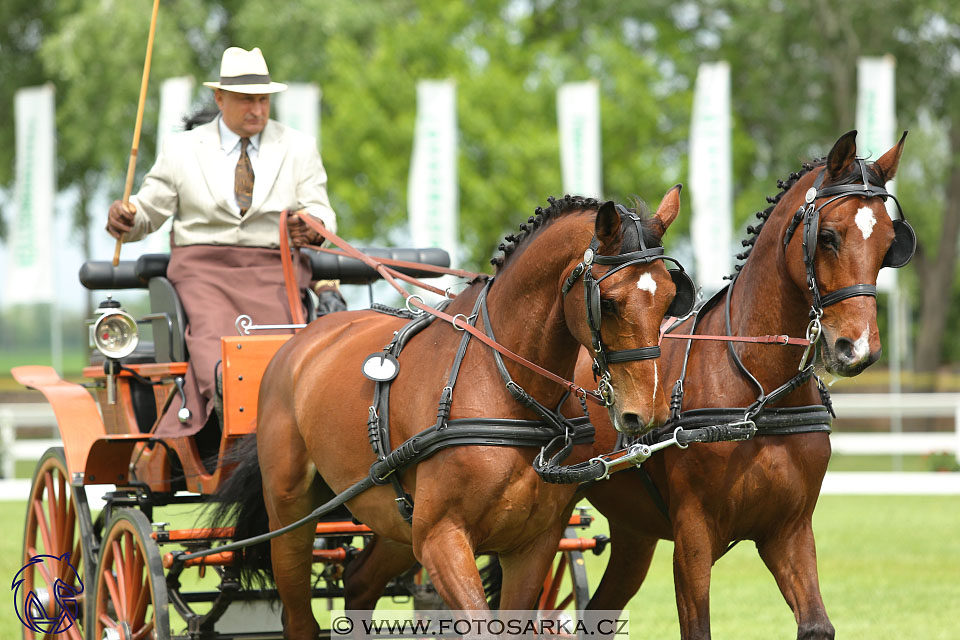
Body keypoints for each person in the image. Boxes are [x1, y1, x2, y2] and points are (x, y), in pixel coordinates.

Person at [106, 46, 336, 439]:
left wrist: (312, 228)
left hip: (276, 271)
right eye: (247, 100)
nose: (257, 111)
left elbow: (322, 213)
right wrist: (125, 218)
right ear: (219, 98)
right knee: (223, 361)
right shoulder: (182, 149)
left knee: (286, 359)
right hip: (203, 273)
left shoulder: (298, 147)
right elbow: (147, 213)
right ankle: (239, 427)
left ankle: (292, 430)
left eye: (263, 100)